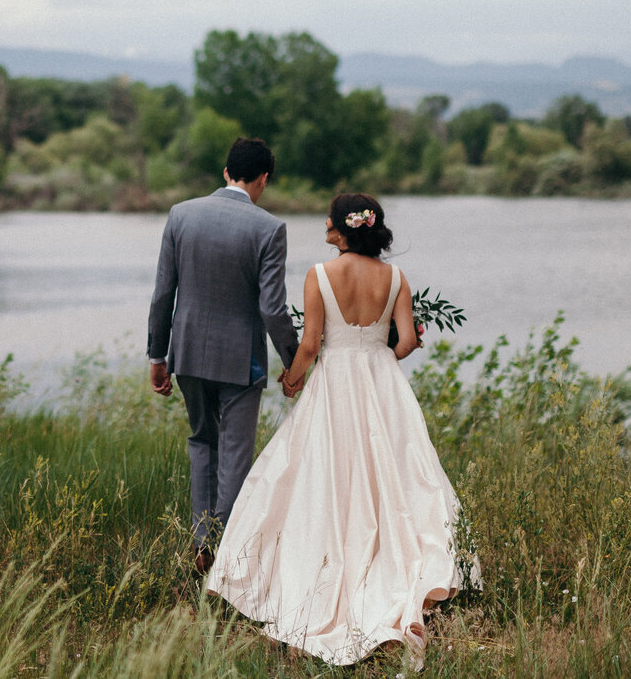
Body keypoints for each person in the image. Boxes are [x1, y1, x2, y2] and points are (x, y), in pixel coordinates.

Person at [205, 192, 481, 669]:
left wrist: (292, 380)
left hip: (334, 381)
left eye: (329, 220)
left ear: (343, 227)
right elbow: (409, 338)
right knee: (396, 469)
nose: (324, 226)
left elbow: (310, 343)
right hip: (381, 380)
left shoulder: (319, 275)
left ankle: (316, 573)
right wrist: (381, 358)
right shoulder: (395, 277)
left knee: (320, 473)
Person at [148, 136, 300, 574]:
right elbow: (272, 309)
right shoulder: (269, 229)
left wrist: (158, 357)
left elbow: (163, 294)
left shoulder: (181, 215)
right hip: (241, 362)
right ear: (263, 179)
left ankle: (202, 541)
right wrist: (294, 361)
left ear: (225, 171)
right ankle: (225, 552)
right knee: (235, 453)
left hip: (189, 355)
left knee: (202, 442)